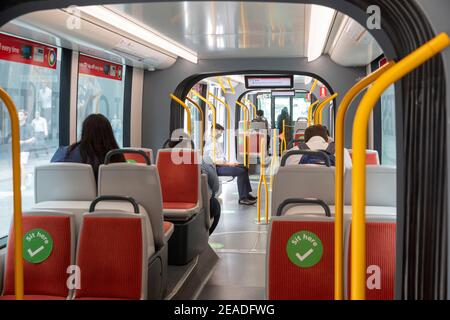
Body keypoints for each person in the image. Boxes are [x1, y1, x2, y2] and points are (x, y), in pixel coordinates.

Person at [51, 114, 125, 179]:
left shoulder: (65, 153)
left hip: (68, 194)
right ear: (109, 134)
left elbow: (51, 173)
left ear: (84, 132)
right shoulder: (115, 156)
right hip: (109, 194)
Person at [204, 124, 256, 205]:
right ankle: (243, 198)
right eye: (220, 133)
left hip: (222, 165)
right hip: (216, 168)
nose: (221, 135)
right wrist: (229, 164)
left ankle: (246, 194)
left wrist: (230, 163)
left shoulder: (215, 141)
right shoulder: (210, 143)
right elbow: (214, 161)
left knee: (245, 168)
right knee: (241, 172)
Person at [284, 124, 352, 167]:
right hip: (332, 189)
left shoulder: (292, 153)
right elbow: (348, 174)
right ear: (327, 138)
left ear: (305, 139)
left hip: (300, 189)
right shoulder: (341, 152)